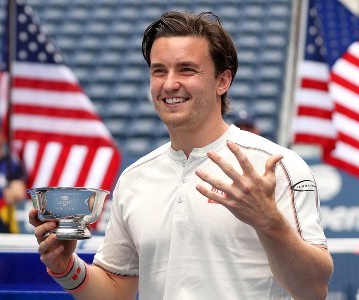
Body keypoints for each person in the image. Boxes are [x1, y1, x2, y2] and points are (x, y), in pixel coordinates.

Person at [30, 11, 332, 299]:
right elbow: (116, 291)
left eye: (187, 69)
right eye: (159, 70)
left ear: (223, 81)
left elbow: (313, 290)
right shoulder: (135, 178)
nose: (169, 83)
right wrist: (65, 268)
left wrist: (270, 223)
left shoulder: (277, 167)